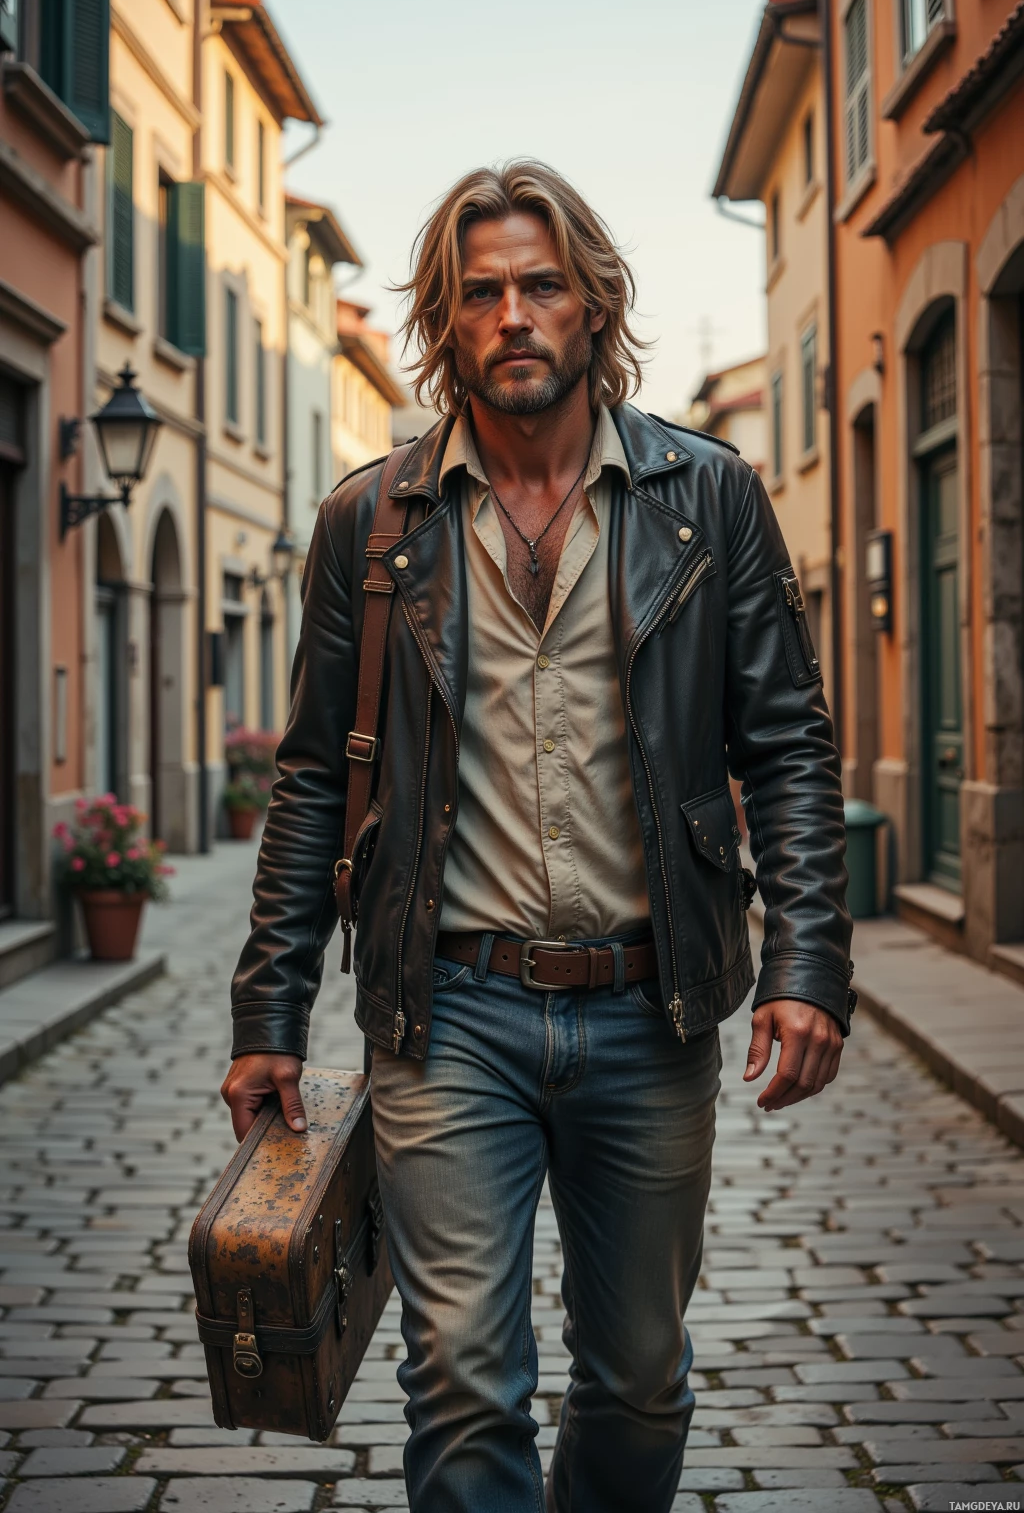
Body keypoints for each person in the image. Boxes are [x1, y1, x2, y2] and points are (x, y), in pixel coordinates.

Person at [221, 161, 854, 1513]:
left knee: (636, 1378)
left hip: (652, 1004)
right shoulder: (371, 523)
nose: (513, 314)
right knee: (458, 1372)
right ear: (446, 326)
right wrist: (266, 1011)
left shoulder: (709, 499)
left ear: (593, 306)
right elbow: (311, 785)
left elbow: (788, 747)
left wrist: (809, 963)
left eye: (541, 285)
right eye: (481, 293)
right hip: (448, 1014)